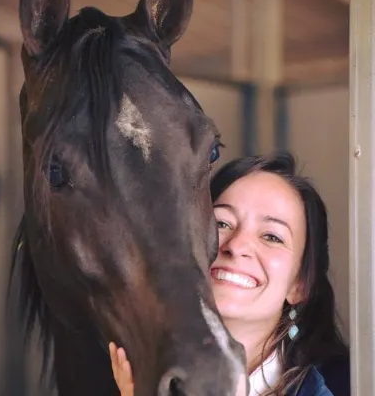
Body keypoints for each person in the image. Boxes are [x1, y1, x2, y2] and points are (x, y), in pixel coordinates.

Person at [108, 151, 350, 395]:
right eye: (222, 223)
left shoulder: (342, 386)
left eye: (271, 236)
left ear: (300, 285)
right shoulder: (121, 367)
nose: (236, 246)